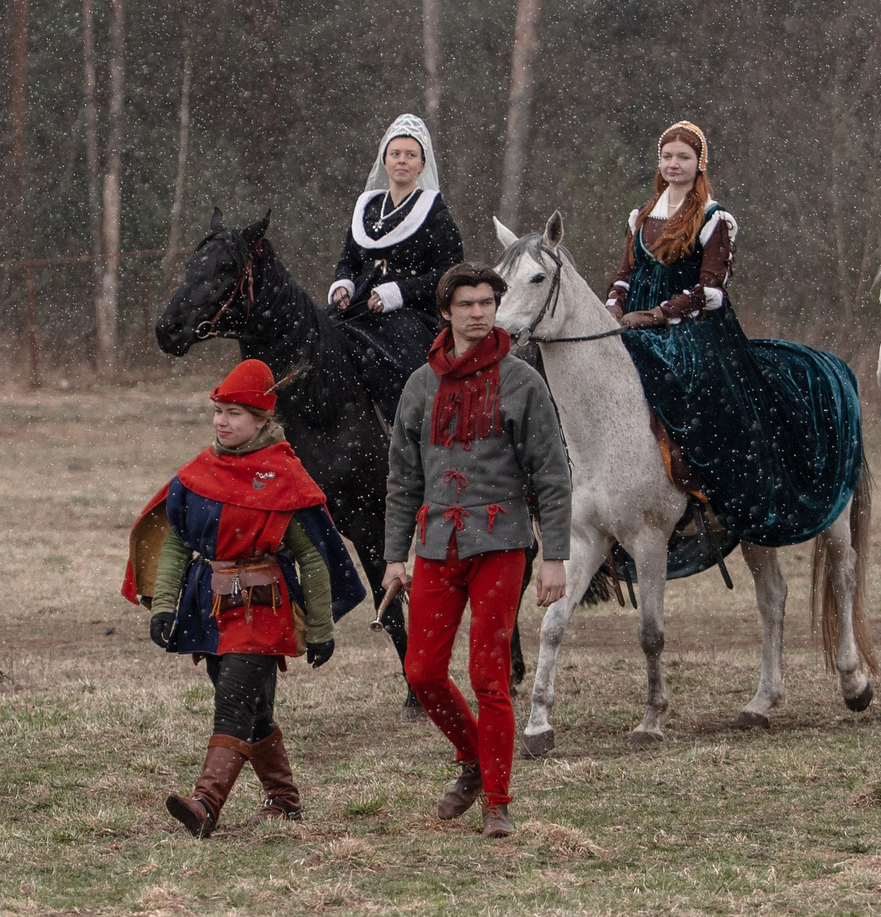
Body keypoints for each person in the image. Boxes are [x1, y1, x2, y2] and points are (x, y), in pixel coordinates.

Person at [124, 360, 365, 836]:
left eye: (234, 413)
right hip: (209, 610)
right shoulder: (198, 473)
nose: (222, 421)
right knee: (253, 708)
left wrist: (320, 628)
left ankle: (205, 804)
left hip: (263, 610)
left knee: (232, 702)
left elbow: (314, 558)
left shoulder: (284, 476)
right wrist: (165, 607)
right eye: (218, 411)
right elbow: (176, 544)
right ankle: (285, 799)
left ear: (261, 420)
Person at [602, 120, 862, 555]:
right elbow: (625, 276)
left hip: (695, 329)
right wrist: (613, 308)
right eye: (667, 156)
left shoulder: (713, 219)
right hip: (635, 324)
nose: (674, 164)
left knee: (696, 387)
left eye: (683, 157)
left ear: (699, 163)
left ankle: (702, 488)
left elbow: (711, 290)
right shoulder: (641, 217)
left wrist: (660, 314)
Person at [383, 265, 572, 839]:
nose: (478, 313)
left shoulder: (522, 381)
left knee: (489, 676)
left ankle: (496, 802)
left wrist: (555, 555)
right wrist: (394, 556)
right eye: (466, 304)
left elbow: (552, 474)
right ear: (446, 311)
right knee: (422, 671)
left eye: (487, 302)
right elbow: (403, 478)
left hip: (501, 544)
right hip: (436, 544)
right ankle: (471, 760)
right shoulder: (420, 385)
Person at [328, 113, 464, 420]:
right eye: (395, 154)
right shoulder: (367, 208)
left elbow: (449, 272)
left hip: (413, 314)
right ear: (385, 160)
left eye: (410, 155)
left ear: (422, 164)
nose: (402, 160)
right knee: (317, 334)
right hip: (359, 307)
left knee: (392, 355)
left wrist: (400, 292)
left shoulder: (435, 214)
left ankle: (402, 425)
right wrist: (342, 285)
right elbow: (349, 259)